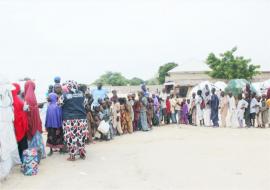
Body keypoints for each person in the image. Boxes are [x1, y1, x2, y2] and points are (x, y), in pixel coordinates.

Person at [61, 80, 88, 161]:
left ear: (68, 87)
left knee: (70, 137)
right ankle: (82, 153)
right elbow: (85, 104)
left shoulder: (64, 95)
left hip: (69, 119)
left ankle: (72, 156)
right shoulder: (82, 94)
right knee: (81, 136)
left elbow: (59, 104)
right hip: (82, 118)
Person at [0, 80, 21, 180]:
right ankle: (3, 171)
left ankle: (8, 167)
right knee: (4, 146)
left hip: (7, 123)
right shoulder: (3, 96)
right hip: (3, 124)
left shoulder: (7, 95)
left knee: (9, 144)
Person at [24, 80, 46, 159]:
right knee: (37, 137)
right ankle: (40, 154)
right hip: (36, 121)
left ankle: (33, 155)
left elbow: (27, 110)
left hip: (31, 121)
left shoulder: (26, 97)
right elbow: (32, 108)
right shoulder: (32, 96)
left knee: (31, 138)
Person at [11, 83, 29, 161]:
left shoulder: (11, 99)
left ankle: (20, 159)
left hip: (16, 123)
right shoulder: (16, 99)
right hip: (20, 123)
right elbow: (20, 110)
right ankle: (24, 160)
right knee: (23, 142)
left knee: (18, 142)